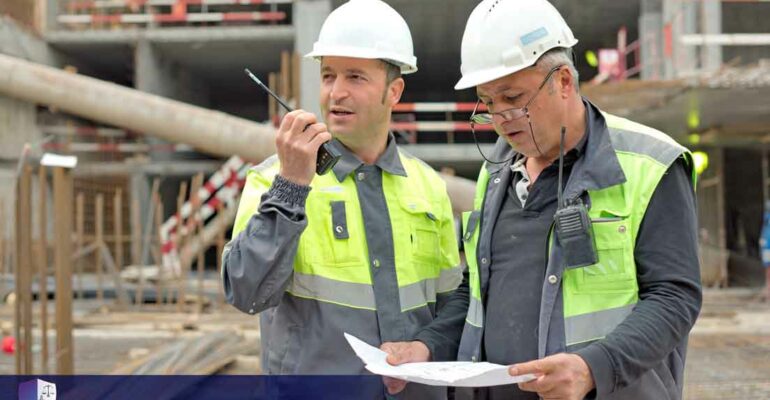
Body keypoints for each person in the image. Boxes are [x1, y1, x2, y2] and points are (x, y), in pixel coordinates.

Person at [381, 1, 702, 399]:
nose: (501, 118)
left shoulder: (650, 165)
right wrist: (427, 344)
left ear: (563, 80)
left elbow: (674, 298)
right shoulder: (496, 171)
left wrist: (593, 368)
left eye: (513, 97)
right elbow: (479, 292)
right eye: (489, 102)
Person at [221, 0, 461, 398]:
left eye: (355, 77)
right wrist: (291, 186)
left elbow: (453, 306)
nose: (336, 92)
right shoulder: (271, 180)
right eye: (328, 75)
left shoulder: (428, 186)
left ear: (394, 90)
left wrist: (427, 346)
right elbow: (246, 294)